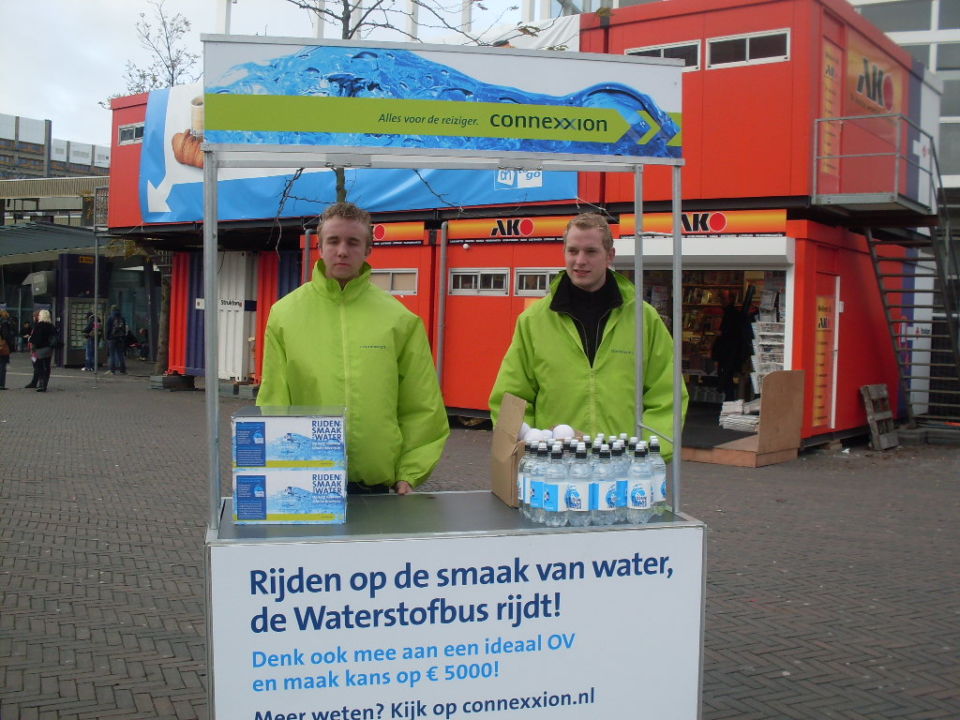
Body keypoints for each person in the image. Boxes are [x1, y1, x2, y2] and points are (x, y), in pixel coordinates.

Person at [256, 202, 449, 494]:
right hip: (307, 482)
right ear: (319, 247)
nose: (342, 250)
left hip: (379, 484)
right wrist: (278, 468)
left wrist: (410, 471)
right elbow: (274, 400)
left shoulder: (399, 320)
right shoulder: (284, 315)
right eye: (333, 241)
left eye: (353, 242)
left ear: (368, 249)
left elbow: (421, 404)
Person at [489, 212, 688, 462]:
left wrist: (648, 455)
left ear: (610, 256)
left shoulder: (643, 319)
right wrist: (531, 449)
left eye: (591, 251)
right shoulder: (534, 321)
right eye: (573, 251)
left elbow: (666, 396)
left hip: (623, 468)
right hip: (554, 469)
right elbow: (511, 398)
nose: (580, 260)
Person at [29, 309, 57, 393]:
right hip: (49, 349)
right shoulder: (51, 326)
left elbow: (34, 339)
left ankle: (41, 384)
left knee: (39, 366)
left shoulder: (39, 325)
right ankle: (45, 383)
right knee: (47, 366)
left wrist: (33, 348)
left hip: (39, 349)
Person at [105, 306, 128, 375]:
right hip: (120, 338)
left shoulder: (110, 318)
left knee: (112, 355)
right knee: (121, 354)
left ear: (112, 310)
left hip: (112, 338)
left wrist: (107, 337)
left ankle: (112, 370)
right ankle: (123, 370)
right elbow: (124, 329)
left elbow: (108, 329)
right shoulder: (122, 318)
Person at [0, 309, 15, 389]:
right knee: (2, 366)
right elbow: (6, 335)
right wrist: (11, 345)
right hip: (2, 346)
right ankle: (1, 384)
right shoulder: (4, 323)